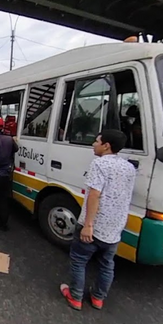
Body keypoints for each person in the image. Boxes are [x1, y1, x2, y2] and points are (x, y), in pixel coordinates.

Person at [60, 130, 136, 311]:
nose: (94, 144)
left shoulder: (100, 164)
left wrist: (88, 225)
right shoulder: (129, 167)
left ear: (106, 145)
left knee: (79, 261)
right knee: (107, 264)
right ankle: (98, 298)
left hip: (95, 225)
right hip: (114, 227)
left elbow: (94, 194)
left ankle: (76, 297)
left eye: (96, 141)